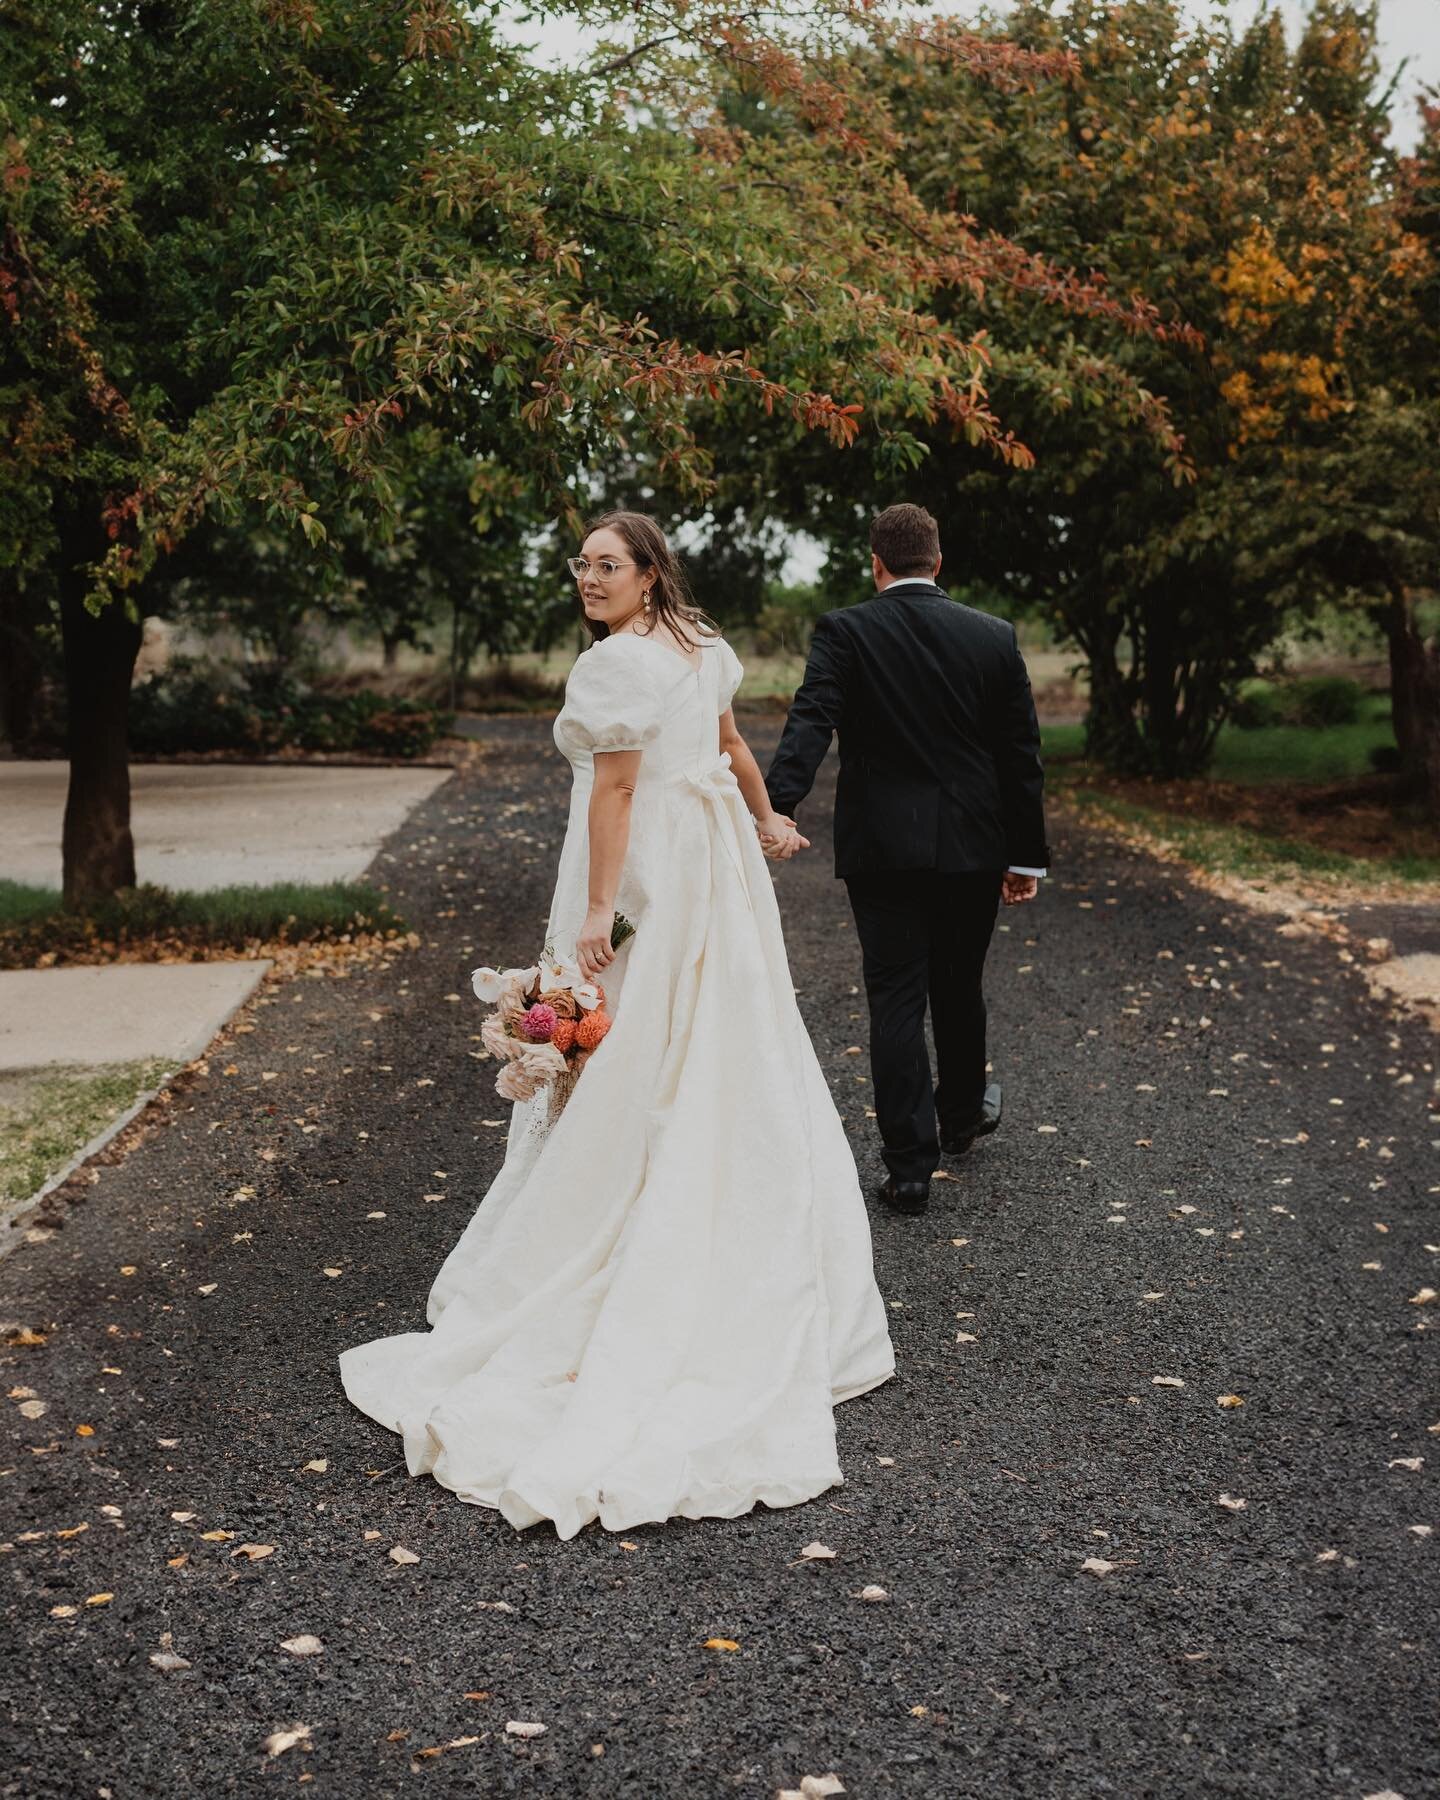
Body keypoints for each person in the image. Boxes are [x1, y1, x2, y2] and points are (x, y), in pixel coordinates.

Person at [338, 510, 894, 1540]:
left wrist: (598, 912)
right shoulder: (706, 646)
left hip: (647, 868)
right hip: (711, 870)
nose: (587, 577)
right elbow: (729, 748)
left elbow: (619, 790)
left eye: (607, 565)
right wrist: (763, 817)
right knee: (714, 1040)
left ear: (648, 574)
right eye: (580, 564)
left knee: (628, 1042)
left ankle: (615, 1220)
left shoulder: (616, 669)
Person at [765, 503, 1050, 1218]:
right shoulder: (992, 637)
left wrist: (778, 805)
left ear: (876, 562)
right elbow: (1020, 757)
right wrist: (1026, 857)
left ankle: (910, 1170)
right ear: (938, 561)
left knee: (895, 997)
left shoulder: (846, 630)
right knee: (959, 983)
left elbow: (812, 720)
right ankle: (959, 1118)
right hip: (974, 848)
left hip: (883, 850)